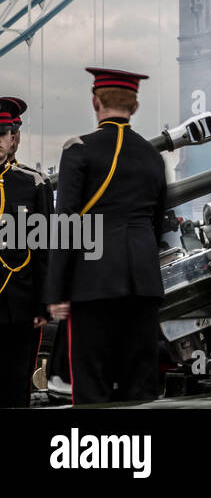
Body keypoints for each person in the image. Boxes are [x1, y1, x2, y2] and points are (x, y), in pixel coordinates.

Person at [44, 69, 167, 404]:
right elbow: (156, 226)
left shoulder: (79, 150)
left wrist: (56, 291)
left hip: (93, 284)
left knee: (92, 388)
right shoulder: (153, 157)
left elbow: (66, 223)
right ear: (135, 106)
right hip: (143, 285)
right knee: (140, 390)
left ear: (95, 101)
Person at [0, 96, 50, 407]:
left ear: (13, 137)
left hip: (15, 303)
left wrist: (43, 305)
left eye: (0, 135)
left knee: (14, 387)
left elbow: (45, 250)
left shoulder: (33, 184)